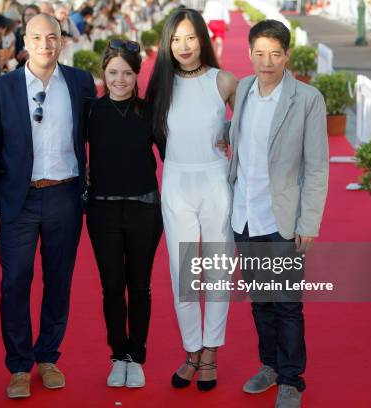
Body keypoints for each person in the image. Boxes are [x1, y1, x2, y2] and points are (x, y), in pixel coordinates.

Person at [0, 14, 96, 399]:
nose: (46, 44)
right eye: (38, 38)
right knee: (14, 282)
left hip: (65, 196)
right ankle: (18, 365)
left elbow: (99, 135)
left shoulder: (79, 83)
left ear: (62, 41)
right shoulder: (1, 89)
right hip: (18, 202)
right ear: (24, 41)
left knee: (58, 282)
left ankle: (47, 356)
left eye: (53, 37)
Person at [227, 20, 328, 408]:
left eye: (274, 54)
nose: (266, 61)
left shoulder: (307, 100)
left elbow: (317, 166)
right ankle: (269, 366)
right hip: (244, 215)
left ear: (287, 55)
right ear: (249, 53)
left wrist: (309, 223)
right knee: (260, 300)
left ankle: (290, 379)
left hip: (281, 219)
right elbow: (245, 138)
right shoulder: (245, 89)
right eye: (259, 53)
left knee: (286, 303)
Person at [145, 8, 237, 392]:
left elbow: (254, 121)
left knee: (217, 270)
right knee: (184, 276)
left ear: (203, 39)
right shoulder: (161, 85)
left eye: (191, 37)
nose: (183, 46)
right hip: (177, 183)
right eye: (176, 38)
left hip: (215, 182)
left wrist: (230, 129)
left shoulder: (225, 81)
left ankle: (211, 351)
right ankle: (191, 351)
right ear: (168, 43)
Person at [86, 39, 163, 389]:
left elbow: (172, 156)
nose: (120, 80)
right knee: (112, 286)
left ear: (137, 74)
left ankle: (137, 356)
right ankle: (118, 355)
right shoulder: (91, 111)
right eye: (113, 72)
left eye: (127, 73)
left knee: (140, 286)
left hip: (144, 208)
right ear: (104, 73)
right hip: (102, 211)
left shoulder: (149, 112)